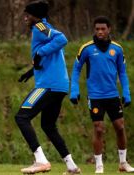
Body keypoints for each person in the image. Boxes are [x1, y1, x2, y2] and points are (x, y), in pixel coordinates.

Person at [15, 1, 80, 174]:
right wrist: (31, 72)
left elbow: (62, 39)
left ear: (36, 15)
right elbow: (49, 56)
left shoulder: (40, 26)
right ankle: (71, 166)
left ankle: (41, 160)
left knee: (22, 117)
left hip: (48, 86)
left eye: (28, 15)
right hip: (59, 86)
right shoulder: (45, 28)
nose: (25, 18)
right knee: (48, 126)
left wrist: (39, 53)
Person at [70, 16, 134, 174]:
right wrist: (74, 90)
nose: (100, 32)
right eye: (97, 29)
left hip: (112, 95)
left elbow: (122, 73)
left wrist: (126, 92)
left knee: (120, 127)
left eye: (103, 29)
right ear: (94, 30)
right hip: (95, 96)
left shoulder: (117, 49)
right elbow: (76, 69)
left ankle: (123, 163)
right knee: (98, 129)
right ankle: (99, 166)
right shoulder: (86, 49)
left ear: (109, 29)